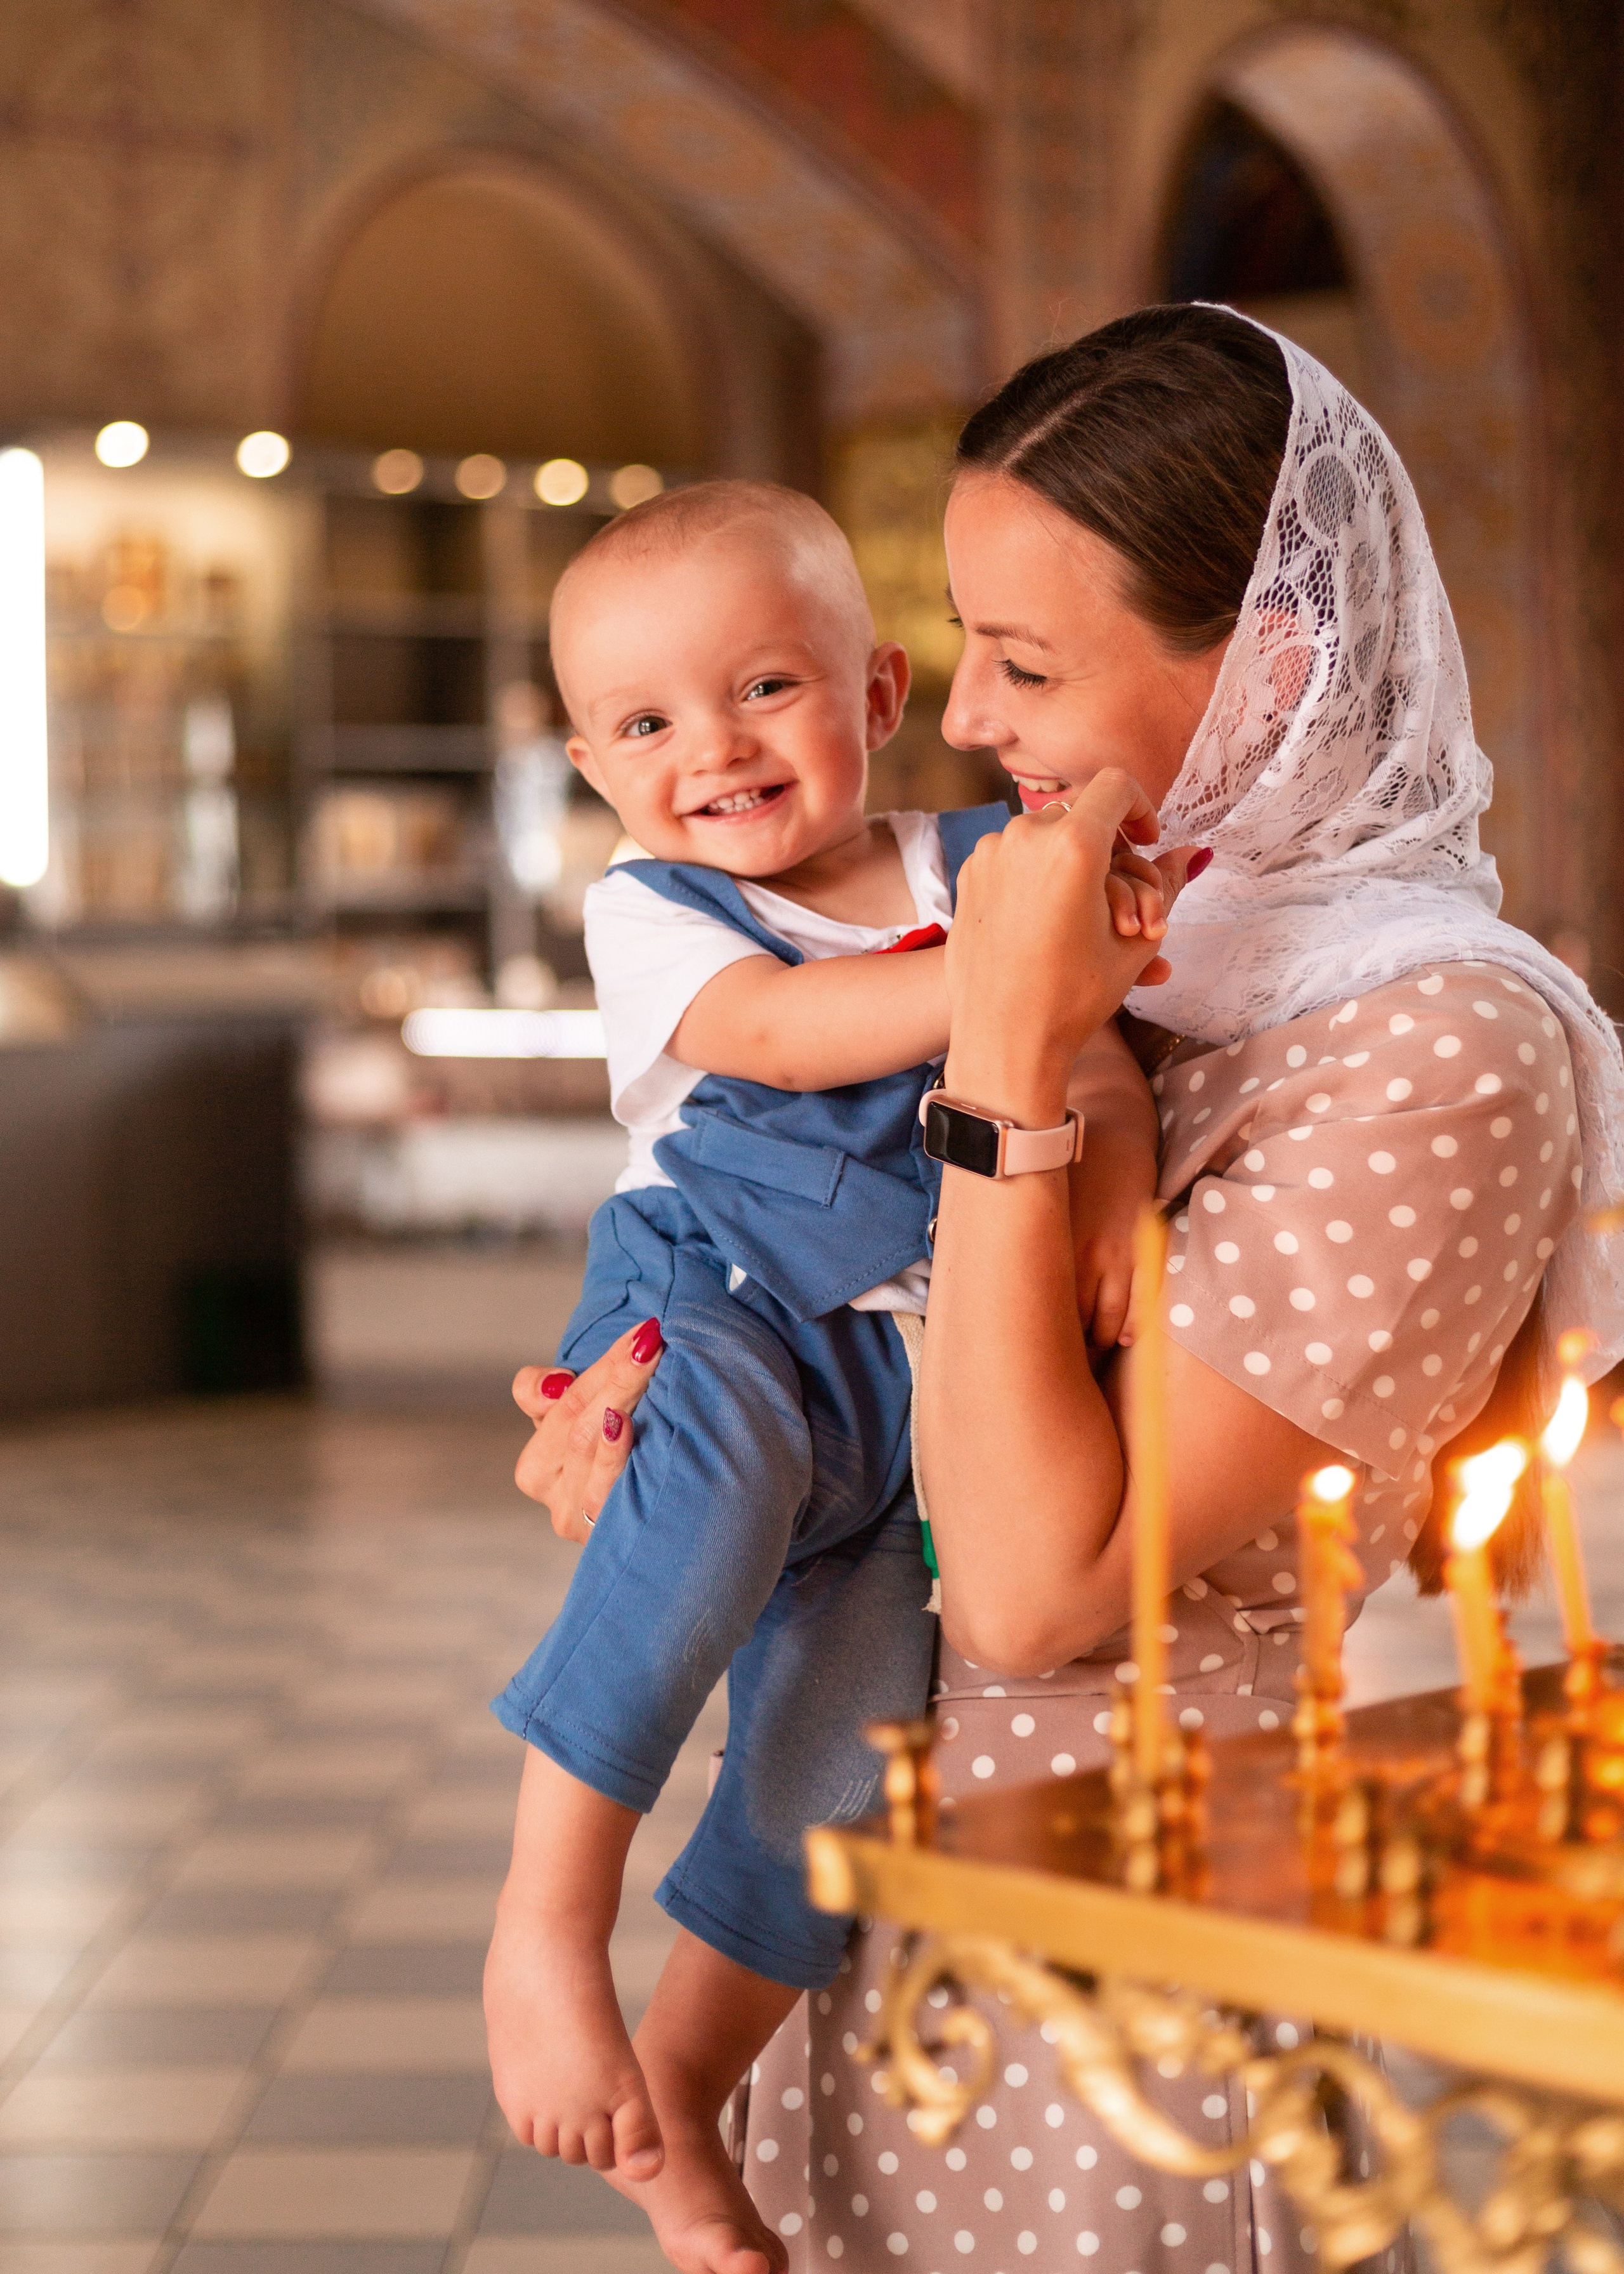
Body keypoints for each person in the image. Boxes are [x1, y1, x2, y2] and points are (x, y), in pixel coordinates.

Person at [511, 309, 1624, 2273]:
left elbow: (1031, 1594)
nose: (962, 722)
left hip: (1122, 1982)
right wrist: (662, 1412)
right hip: (859, 1905)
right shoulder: (1139, 927)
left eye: (1023, 665)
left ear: (1269, 663)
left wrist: (1013, 1051)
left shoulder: (1435, 1038)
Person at [484, 479, 1192, 2274]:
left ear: (878, 694)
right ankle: (547, 1927)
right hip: (718, 1302)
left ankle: (684, 2096)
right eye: (648, 724)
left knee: (851, 1756)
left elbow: (1097, 1069)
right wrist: (1021, 972)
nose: (714, 749)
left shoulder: (980, 863)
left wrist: (1114, 1182)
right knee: (701, 1514)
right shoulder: (655, 911)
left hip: (911, 1382)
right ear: (592, 767)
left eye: (763, 689)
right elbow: (789, 1037)